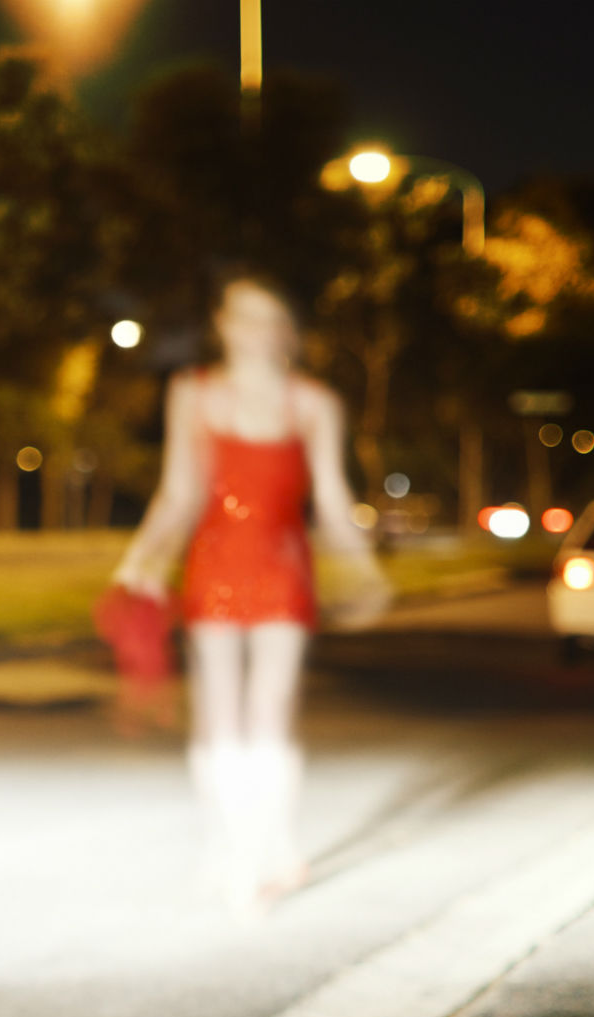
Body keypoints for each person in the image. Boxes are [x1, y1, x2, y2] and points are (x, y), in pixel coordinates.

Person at [112, 275, 389, 910]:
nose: (253, 330)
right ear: (223, 325)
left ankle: (271, 843)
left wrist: (363, 568)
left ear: (286, 333)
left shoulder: (313, 403)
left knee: (270, 712)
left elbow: (331, 496)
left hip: (283, 566)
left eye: (267, 318)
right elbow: (180, 491)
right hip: (215, 564)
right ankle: (224, 842)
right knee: (218, 715)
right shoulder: (193, 394)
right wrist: (141, 559)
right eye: (241, 316)